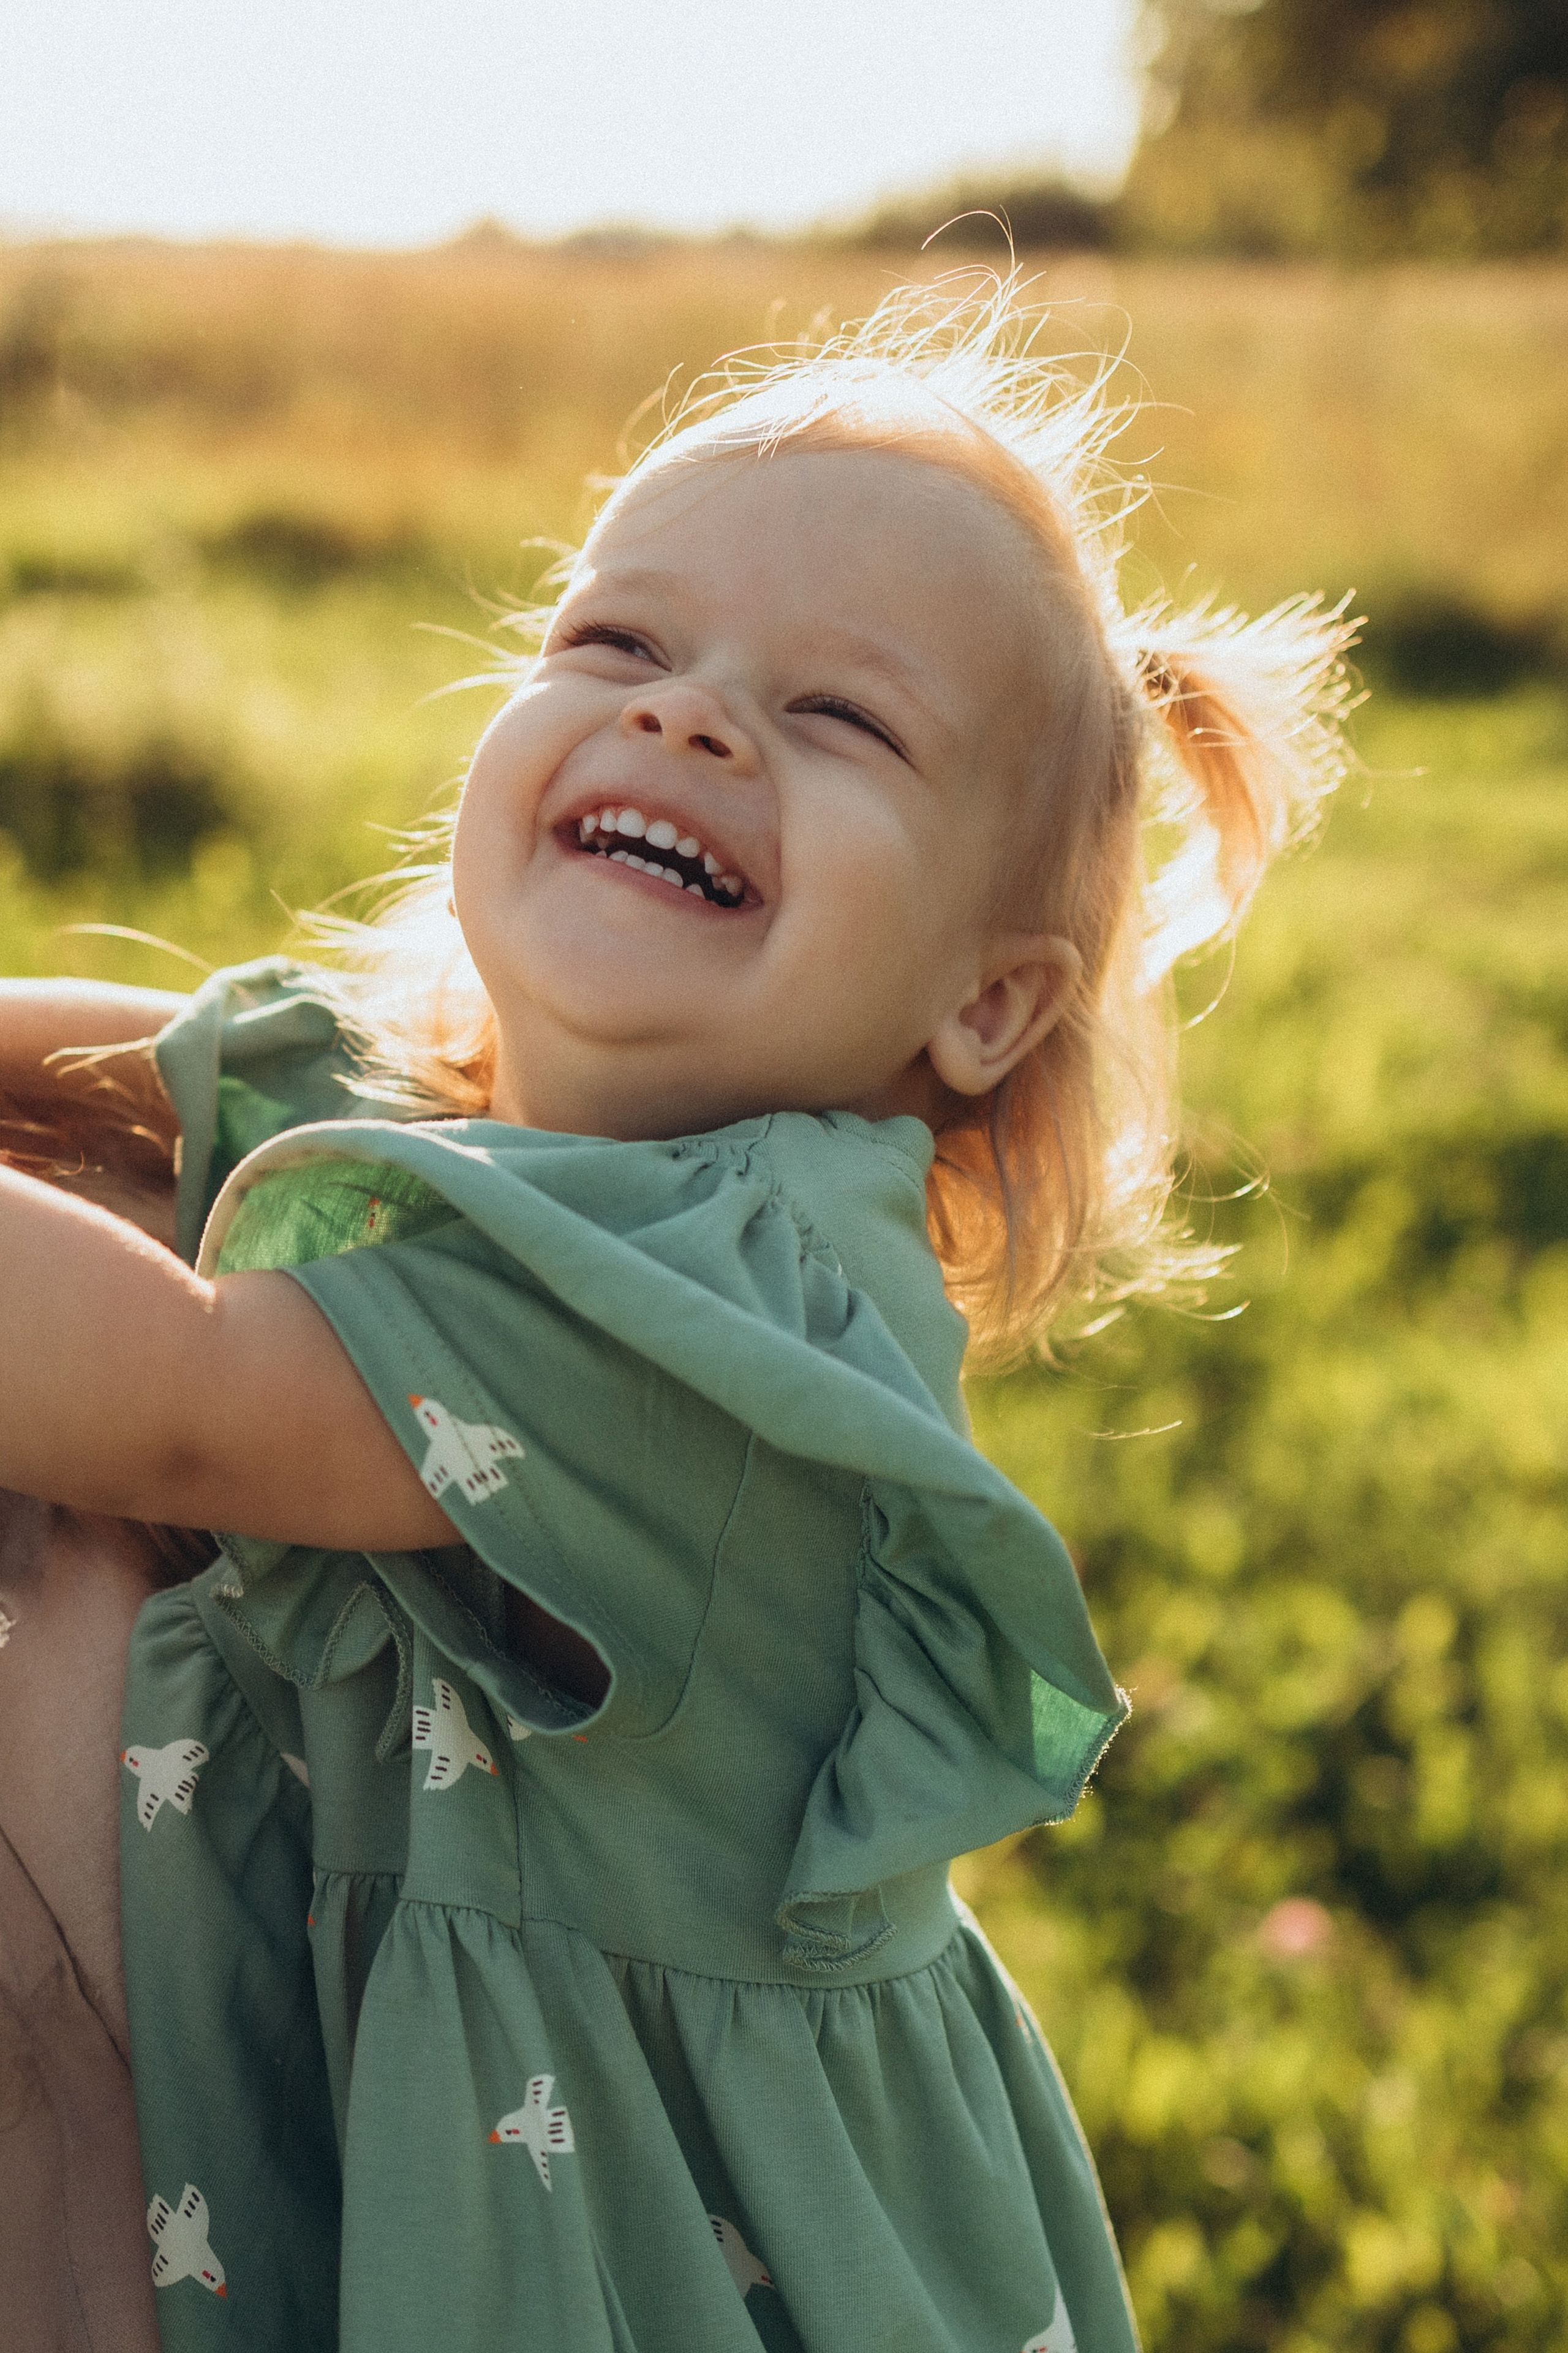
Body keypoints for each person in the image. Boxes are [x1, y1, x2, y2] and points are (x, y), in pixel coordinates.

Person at [0, 276, 1353, 2353]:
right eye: (618, 642)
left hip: (630, 2241)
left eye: (841, 717)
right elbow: (94, 1072)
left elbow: (177, 1402)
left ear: (981, 1004)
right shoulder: (438, 1098)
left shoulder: (730, 1315)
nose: (688, 715)